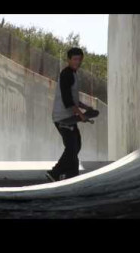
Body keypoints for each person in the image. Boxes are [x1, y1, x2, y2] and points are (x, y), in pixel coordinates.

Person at [46, 48, 94, 182]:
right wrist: (82, 115)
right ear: (68, 60)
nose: (77, 62)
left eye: (79, 59)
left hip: (69, 118)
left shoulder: (73, 74)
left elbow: (73, 99)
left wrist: (85, 107)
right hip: (63, 118)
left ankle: (71, 174)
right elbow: (68, 100)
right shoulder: (67, 74)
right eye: (74, 59)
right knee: (72, 146)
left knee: (76, 145)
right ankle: (56, 172)